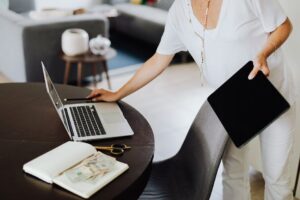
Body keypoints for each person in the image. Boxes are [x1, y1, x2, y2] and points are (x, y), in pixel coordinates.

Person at [88, 0, 296, 199]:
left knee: (278, 181)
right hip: (232, 101)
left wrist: (263, 53)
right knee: (233, 173)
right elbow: (159, 60)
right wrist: (118, 93)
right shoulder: (180, 11)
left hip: (273, 95)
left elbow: (283, 26)